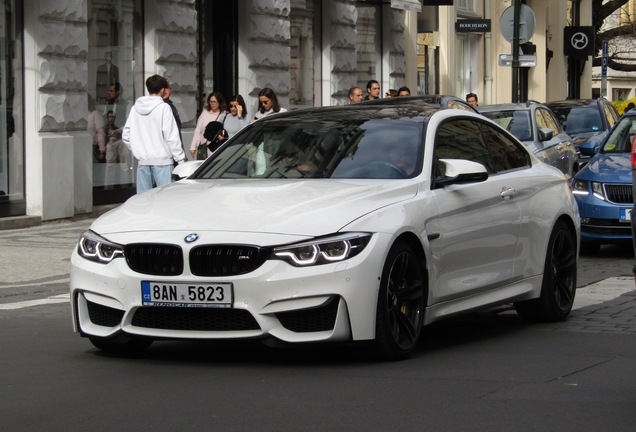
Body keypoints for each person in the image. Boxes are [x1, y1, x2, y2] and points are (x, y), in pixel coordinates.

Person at [122, 74, 185, 193]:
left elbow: (126, 136)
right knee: (165, 201)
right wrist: (181, 161)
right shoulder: (164, 108)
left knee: (144, 202)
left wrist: (138, 149)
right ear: (162, 90)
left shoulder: (135, 108)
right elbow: (172, 137)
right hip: (163, 162)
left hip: (143, 162)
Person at [190, 91, 229, 159]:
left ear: (219, 102)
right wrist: (193, 146)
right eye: (211, 101)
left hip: (217, 148)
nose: (212, 104)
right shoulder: (205, 113)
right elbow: (198, 130)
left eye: (214, 102)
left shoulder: (224, 115)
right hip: (204, 147)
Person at [163, 79, 187, 160]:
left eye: (167, 87)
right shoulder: (157, 108)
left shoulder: (173, 107)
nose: (164, 90)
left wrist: (183, 154)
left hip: (175, 155)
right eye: (162, 88)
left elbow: (177, 133)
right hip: (163, 157)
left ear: (170, 89)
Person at [104, 109, 127, 188]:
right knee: (110, 167)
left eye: (113, 117)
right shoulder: (105, 128)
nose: (111, 119)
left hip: (119, 147)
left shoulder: (117, 129)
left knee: (123, 166)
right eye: (110, 117)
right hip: (110, 148)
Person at [88, 95, 105, 163]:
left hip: (92, 146)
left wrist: (102, 148)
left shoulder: (95, 114)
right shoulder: (81, 115)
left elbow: (100, 132)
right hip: (82, 146)